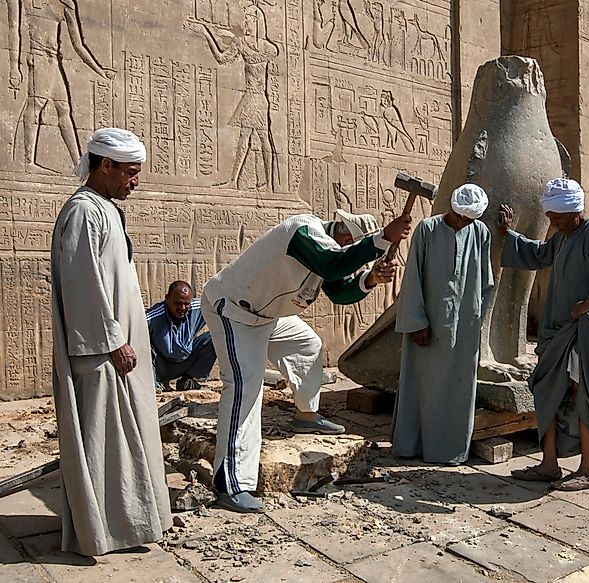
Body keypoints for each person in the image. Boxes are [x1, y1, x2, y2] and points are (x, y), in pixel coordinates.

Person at [202, 208, 411, 512]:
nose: (347, 249)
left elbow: (340, 290)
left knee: (307, 345)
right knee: (245, 389)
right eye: (348, 242)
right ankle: (230, 484)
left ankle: (306, 417)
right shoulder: (304, 231)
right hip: (234, 312)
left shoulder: (327, 252)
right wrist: (383, 238)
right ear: (338, 228)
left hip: (268, 316)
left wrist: (370, 279)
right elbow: (332, 263)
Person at [50, 128, 172, 555]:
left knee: (126, 440)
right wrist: (113, 342)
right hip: (102, 352)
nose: (135, 181)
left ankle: (130, 525)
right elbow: (85, 285)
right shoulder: (84, 211)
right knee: (105, 445)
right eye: (131, 173)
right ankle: (104, 531)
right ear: (106, 166)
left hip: (118, 348)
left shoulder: (105, 209)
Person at [499, 178, 589, 492]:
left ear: (575, 212)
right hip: (558, 332)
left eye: (557, 218)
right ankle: (549, 464)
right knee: (547, 391)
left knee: (582, 396)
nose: (553, 223)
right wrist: (508, 234)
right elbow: (539, 254)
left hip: (582, 334)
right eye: (550, 218)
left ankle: (587, 470)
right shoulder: (563, 238)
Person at [392, 184, 494, 465]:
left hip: (465, 325)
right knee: (422, 383)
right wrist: (417, 322)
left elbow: (485, 281)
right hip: (428, 323)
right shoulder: (427, 229)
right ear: (451, 209)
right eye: (460, 217)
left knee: (459, 387)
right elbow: (412, 277)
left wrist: (477, 320)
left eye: (469, 220)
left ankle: (450, 451)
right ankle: (412, 445)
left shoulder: (480, 233)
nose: (463, 223)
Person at [146, 281, 216, 392]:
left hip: (185, 363)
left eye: (186, 304)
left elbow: (222, 306)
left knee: (215, 337)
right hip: (160, 366)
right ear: (167, 298)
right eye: (178, 303)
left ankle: (187, 380)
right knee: (142, 344)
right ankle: (156, 384)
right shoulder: (153, 317)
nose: (182, 308)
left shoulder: (198, 307)